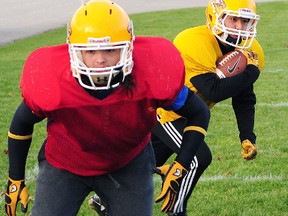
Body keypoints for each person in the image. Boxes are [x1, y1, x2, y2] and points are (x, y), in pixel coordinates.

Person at [4, 0, 210, 215]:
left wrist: (181, 165)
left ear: (129, 48)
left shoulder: (152, 72)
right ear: (73, 51)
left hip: (128, 162)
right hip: (65, 163)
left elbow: (198, 112)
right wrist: (15, 178)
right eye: (90, 51)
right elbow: (21, 123)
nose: (100, 60)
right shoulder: (53, 80)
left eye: (110, 49)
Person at [151, 0, 264, 215]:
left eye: (245, 20)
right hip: (165, 110)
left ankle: (104, 199)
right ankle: (176, 210)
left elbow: (244, 97)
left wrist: (247, 135)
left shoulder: (250, 50)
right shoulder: (193, 41)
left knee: (145, 161)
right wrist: (252, 71)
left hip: (192, 115)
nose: (239, 27)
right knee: (197, 158)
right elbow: (214, 90)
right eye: (233, 18)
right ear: (215, 17)